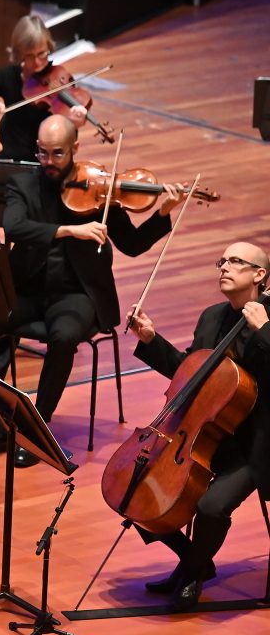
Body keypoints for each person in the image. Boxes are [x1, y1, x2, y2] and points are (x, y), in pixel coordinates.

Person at [0, 115, 182, 467]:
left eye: (57, 154)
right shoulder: (23, 185)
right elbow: (14, 226)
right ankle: (2, 421)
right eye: (42, 153)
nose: (47, 162)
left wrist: (162, 214)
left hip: (78, 294)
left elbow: (134, 245)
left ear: (75, 149)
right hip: (28, 289)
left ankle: (37, 426)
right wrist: (68, 230)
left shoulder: (99, 190)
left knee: (62, 337)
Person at [127, 242, 270, 612]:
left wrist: (266, 331)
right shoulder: (211, 317)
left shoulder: (269, 321)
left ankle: (190, 574)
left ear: (259, 275)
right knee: (137, 488)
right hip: (202, 438)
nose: (225, 266)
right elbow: (190, 375)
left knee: (210, 508)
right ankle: (197, 561)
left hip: (252, 446)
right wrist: (151, 341)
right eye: (221, 260)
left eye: (236, 261)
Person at [0, 15, 87, 239]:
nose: (37, 63)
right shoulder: (8, 77)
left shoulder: (59, 79)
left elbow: (65, 136)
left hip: (45, 166)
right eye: (30, 56)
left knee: (25, 225)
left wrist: (74, 122)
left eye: (42, 54)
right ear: (18, 54)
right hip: (10, 162)